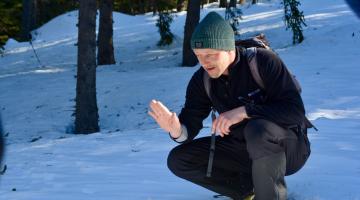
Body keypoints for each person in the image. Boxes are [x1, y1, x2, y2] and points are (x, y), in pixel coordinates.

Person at [148, 11, 311, 200]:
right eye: (199, 55)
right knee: (179, 160)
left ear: (229, 49)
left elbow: (295, 112)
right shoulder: (202, 80)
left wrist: (245, 112)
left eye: (210, 54)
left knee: (258, 129)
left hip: (289, 147)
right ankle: (246, 190)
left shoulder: (263, 62)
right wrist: (176, 129)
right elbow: (189, 123)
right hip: (243, 148)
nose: (204, 62)